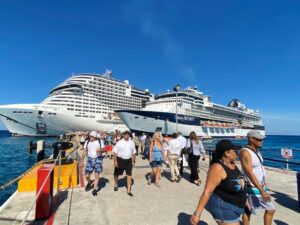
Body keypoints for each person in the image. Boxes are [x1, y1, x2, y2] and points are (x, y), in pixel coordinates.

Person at [190, 140, 246, 225]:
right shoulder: (217, 168)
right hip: (224, 208)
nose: (237, 153)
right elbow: (207, 192)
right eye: (235, 151)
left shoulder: (232, 164)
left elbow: (239, 182)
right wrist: (197, 214)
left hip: (236, 206)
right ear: (227, 153)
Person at [239, 130, 276, 225]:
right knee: (269, 209)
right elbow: (249, 173)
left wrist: (264, 186)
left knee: (249, 209)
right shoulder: (245, 152)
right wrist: (262, 190)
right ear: (251, 139)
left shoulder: (256, 150)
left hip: (260, 185)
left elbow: (259, 169)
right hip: (252, 187)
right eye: (259, 139)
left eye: (262, 140)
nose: (261, 141)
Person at [112, 130, 136, 197]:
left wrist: (134, 161)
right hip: (120, 160)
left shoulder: (132, 142)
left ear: (129, 135)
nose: (127, 135)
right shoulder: (119, 142)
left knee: (129, 175)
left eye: (128, 134)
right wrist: (115, 161)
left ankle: (128, 191)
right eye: (125, 134)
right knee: (116, 174)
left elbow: (134, 152)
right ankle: (116, 184)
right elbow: (115, 152)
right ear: (123, 135)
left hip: (128, 161)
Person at [82, 131, 104, 196]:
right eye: (90, 136)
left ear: (95, 137)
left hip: (98, 159)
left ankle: (94, 189)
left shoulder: (100, 142)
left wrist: (100, 150)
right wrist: (82, 160)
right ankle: (89, 182)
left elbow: (105, 149)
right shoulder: (87, 142)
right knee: (86, 175)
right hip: (90, 160)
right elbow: (84, 151)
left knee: (97, 175)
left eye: (91, 136)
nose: (90, 137)